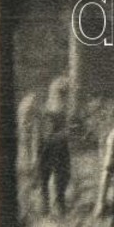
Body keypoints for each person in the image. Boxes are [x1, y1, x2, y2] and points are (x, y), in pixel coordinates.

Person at [37, 76, 71, 216]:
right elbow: (47, 134)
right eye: (63, 93)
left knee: (63, 176)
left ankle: (58, 206)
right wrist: (65, 133)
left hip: (59, 146)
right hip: (49, 147)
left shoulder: (60, 109)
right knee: (47, 177)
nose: (66, 96)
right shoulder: (50, 110)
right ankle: (49, 207)